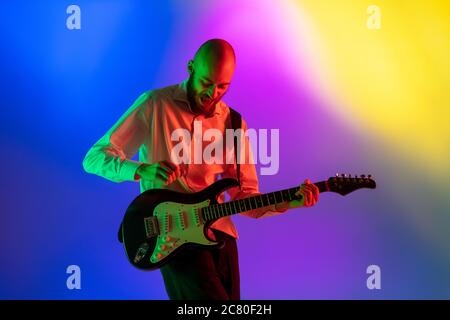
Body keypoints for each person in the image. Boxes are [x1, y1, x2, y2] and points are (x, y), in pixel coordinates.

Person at [82, 38, 319, 300]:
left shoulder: (233, 123)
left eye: (222, 86)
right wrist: (142, 170)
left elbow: (245, 197)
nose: (213, 94)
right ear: (191, 67)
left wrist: (291, 202)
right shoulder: (154, 105)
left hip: (221, 235)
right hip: (174, 237)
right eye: (207, 83)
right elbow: (94, 158)